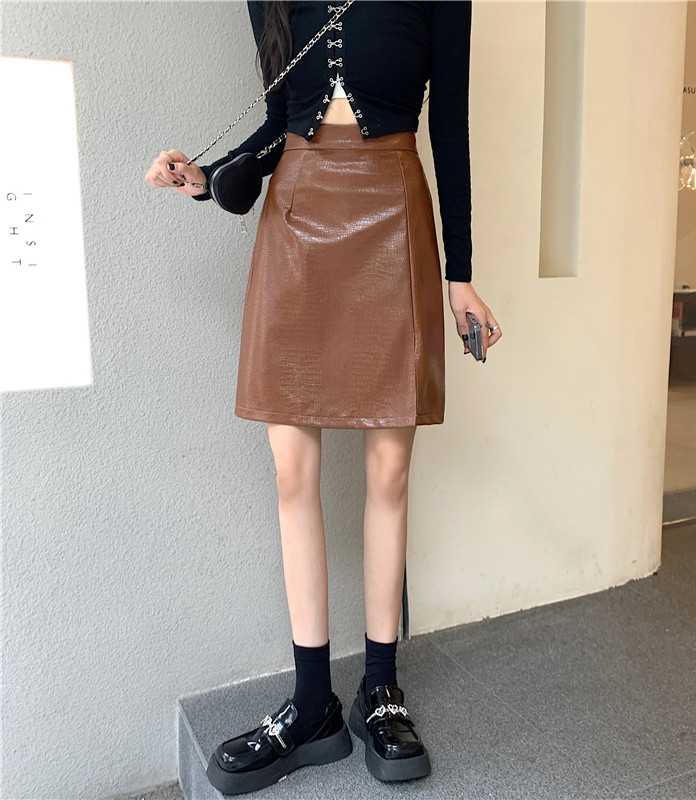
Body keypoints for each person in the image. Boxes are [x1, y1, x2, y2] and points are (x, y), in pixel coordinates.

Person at [145, 0, 502, 792]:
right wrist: (207, 178)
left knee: (390, 472)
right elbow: (281, 122)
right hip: (297, 215)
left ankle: (381, 689)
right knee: (292, 473)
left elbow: (452, 127)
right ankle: (313, 704)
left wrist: (463, 276)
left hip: (394, 211)